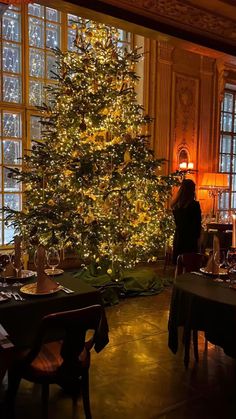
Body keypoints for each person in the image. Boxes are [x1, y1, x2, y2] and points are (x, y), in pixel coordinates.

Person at [171, 178, 202, 264]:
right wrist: (199, 239)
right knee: (189, 264)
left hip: (179, 236)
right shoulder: (194, 205)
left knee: (179, 263)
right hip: (190, 238)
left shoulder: (176, 206)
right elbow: (197, 224)